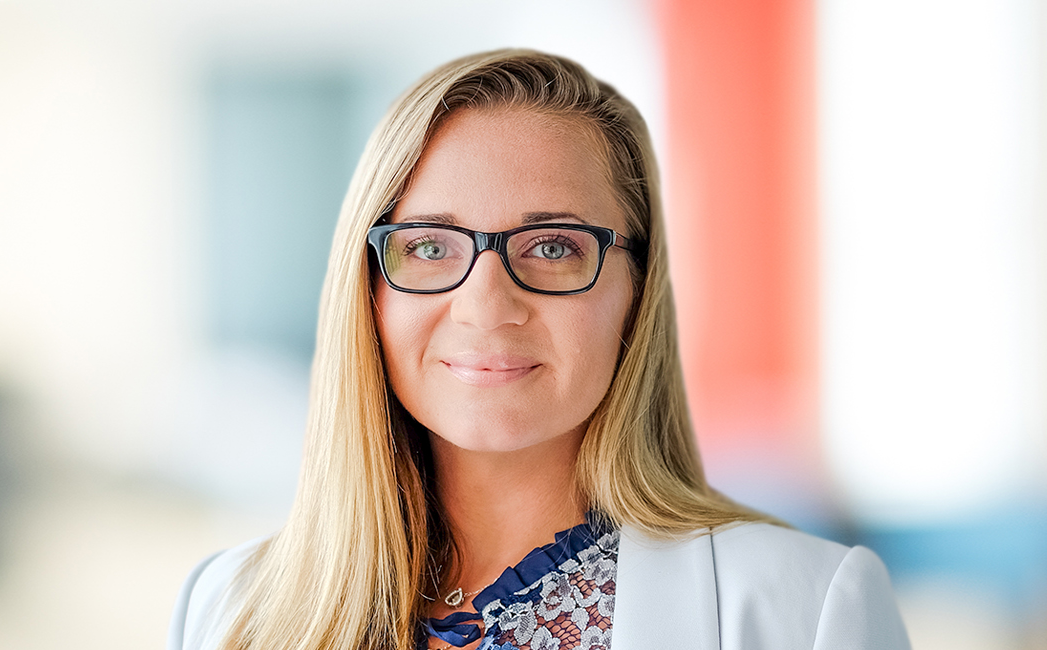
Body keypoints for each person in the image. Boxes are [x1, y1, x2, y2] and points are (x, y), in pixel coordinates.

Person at [166, 49, 910, 650]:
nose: (487, 303)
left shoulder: (808, 610)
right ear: (368, 292)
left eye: (553, 245)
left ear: (636, 293)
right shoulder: (226, 607)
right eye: (429, 245)